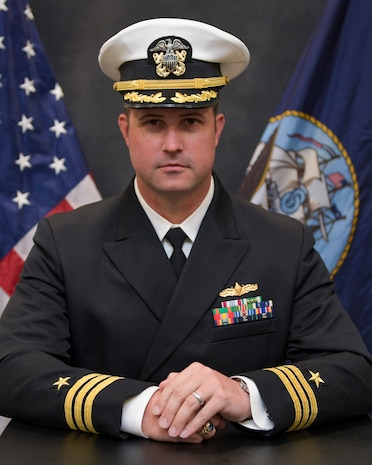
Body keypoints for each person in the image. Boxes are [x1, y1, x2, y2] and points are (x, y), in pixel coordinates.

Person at [0, 18, 371, 443]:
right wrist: (137, 409)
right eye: (153, 122)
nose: (172, 143)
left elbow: (352, 370)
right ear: (126, 130)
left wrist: (245, 394)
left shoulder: (285, 243)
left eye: (191, 121)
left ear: (217, 129)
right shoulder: (64, 243)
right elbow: (13, 368)